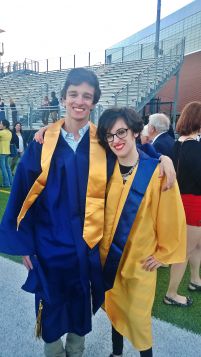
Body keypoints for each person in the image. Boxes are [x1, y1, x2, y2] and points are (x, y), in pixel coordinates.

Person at [0, 67, 175, 357]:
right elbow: (22, 195)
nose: (79, 101)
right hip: (48, 244)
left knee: (82, 302)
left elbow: (131, 154)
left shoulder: (102, 142)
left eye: (87, 96)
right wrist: (26, 245)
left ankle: (76, 351)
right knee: (52, 302)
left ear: (94, 102)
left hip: (88, 244)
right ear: (64, 97)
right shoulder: (42, 143)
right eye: (73, 94)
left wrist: (163, 157)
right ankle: (53, 352)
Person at [96, 107, 186, 357]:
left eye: (121, 131)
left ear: (136, 131)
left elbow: (172, 217)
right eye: (110, 135)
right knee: (115, 309)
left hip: (139, 264)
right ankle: (116, 353)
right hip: (109, 259)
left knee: (139, 320)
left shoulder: (157, 172)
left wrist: (163, 254)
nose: (116, 140)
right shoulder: (105, 169)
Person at [164, 101, 201, 306]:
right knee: (185, 250)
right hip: (193, 202)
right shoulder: (194, 147)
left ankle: (195, 280)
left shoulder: (177, 144)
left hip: (184, 200)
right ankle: (171, 294)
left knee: (195, 246)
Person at [0, 119, 13, 187]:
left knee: (3, 168)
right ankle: (11, 182)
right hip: (7, 151)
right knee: (7, 167)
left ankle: (6, 183)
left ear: (4, 125)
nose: (0, 125)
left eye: (1, 123)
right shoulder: (9, 132)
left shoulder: (2, 132)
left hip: (1, 151)